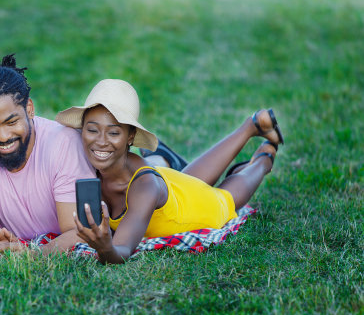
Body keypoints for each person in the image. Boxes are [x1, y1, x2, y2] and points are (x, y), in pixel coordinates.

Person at [56, 79, 283, 263]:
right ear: (82, 130)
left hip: (198, 208)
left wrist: (106, 248)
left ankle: (264, 158)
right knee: (186, 179)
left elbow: (122, 249)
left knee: (224, 198)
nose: (101, 142)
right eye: (92, 130)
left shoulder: (144, 188)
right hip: (171, 183)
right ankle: (251, 125)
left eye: (114, 133)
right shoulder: (89, 168)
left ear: (131, 137)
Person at [0, 54, 99, 256]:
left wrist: (31, 255)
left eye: (11, 122)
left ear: (29, 109)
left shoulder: (64, 142)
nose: (3, 136)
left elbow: (82, 231)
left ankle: (157, 157)